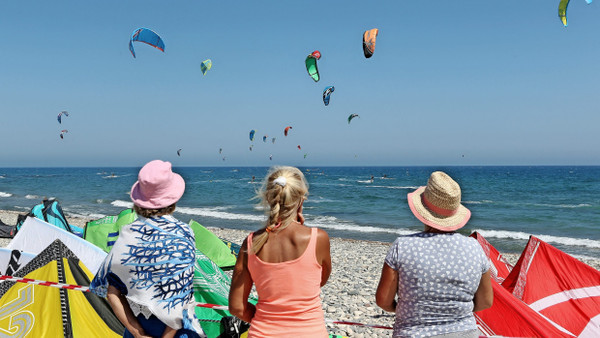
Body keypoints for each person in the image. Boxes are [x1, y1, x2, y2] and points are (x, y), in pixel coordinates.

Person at [91, 160, 205, 338]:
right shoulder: (183, 233)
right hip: (177, 332)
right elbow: (180, 299)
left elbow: (112, 293)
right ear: (173, 199)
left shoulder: (127, 235)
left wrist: (138, 333)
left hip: (138, 328)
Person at [375, 171, 493, 337]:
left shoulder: (403, 247)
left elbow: (383, 300)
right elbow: (486, 301)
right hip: (464, 332)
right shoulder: (474, 248)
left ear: (422, 209)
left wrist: (404, 310)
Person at [228, 166, 332, 337]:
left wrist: (265, 318)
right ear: (301, 200)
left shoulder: (251, 243)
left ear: (269, 198)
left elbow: (237, 307)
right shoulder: (318, 239)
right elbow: (318, 281)